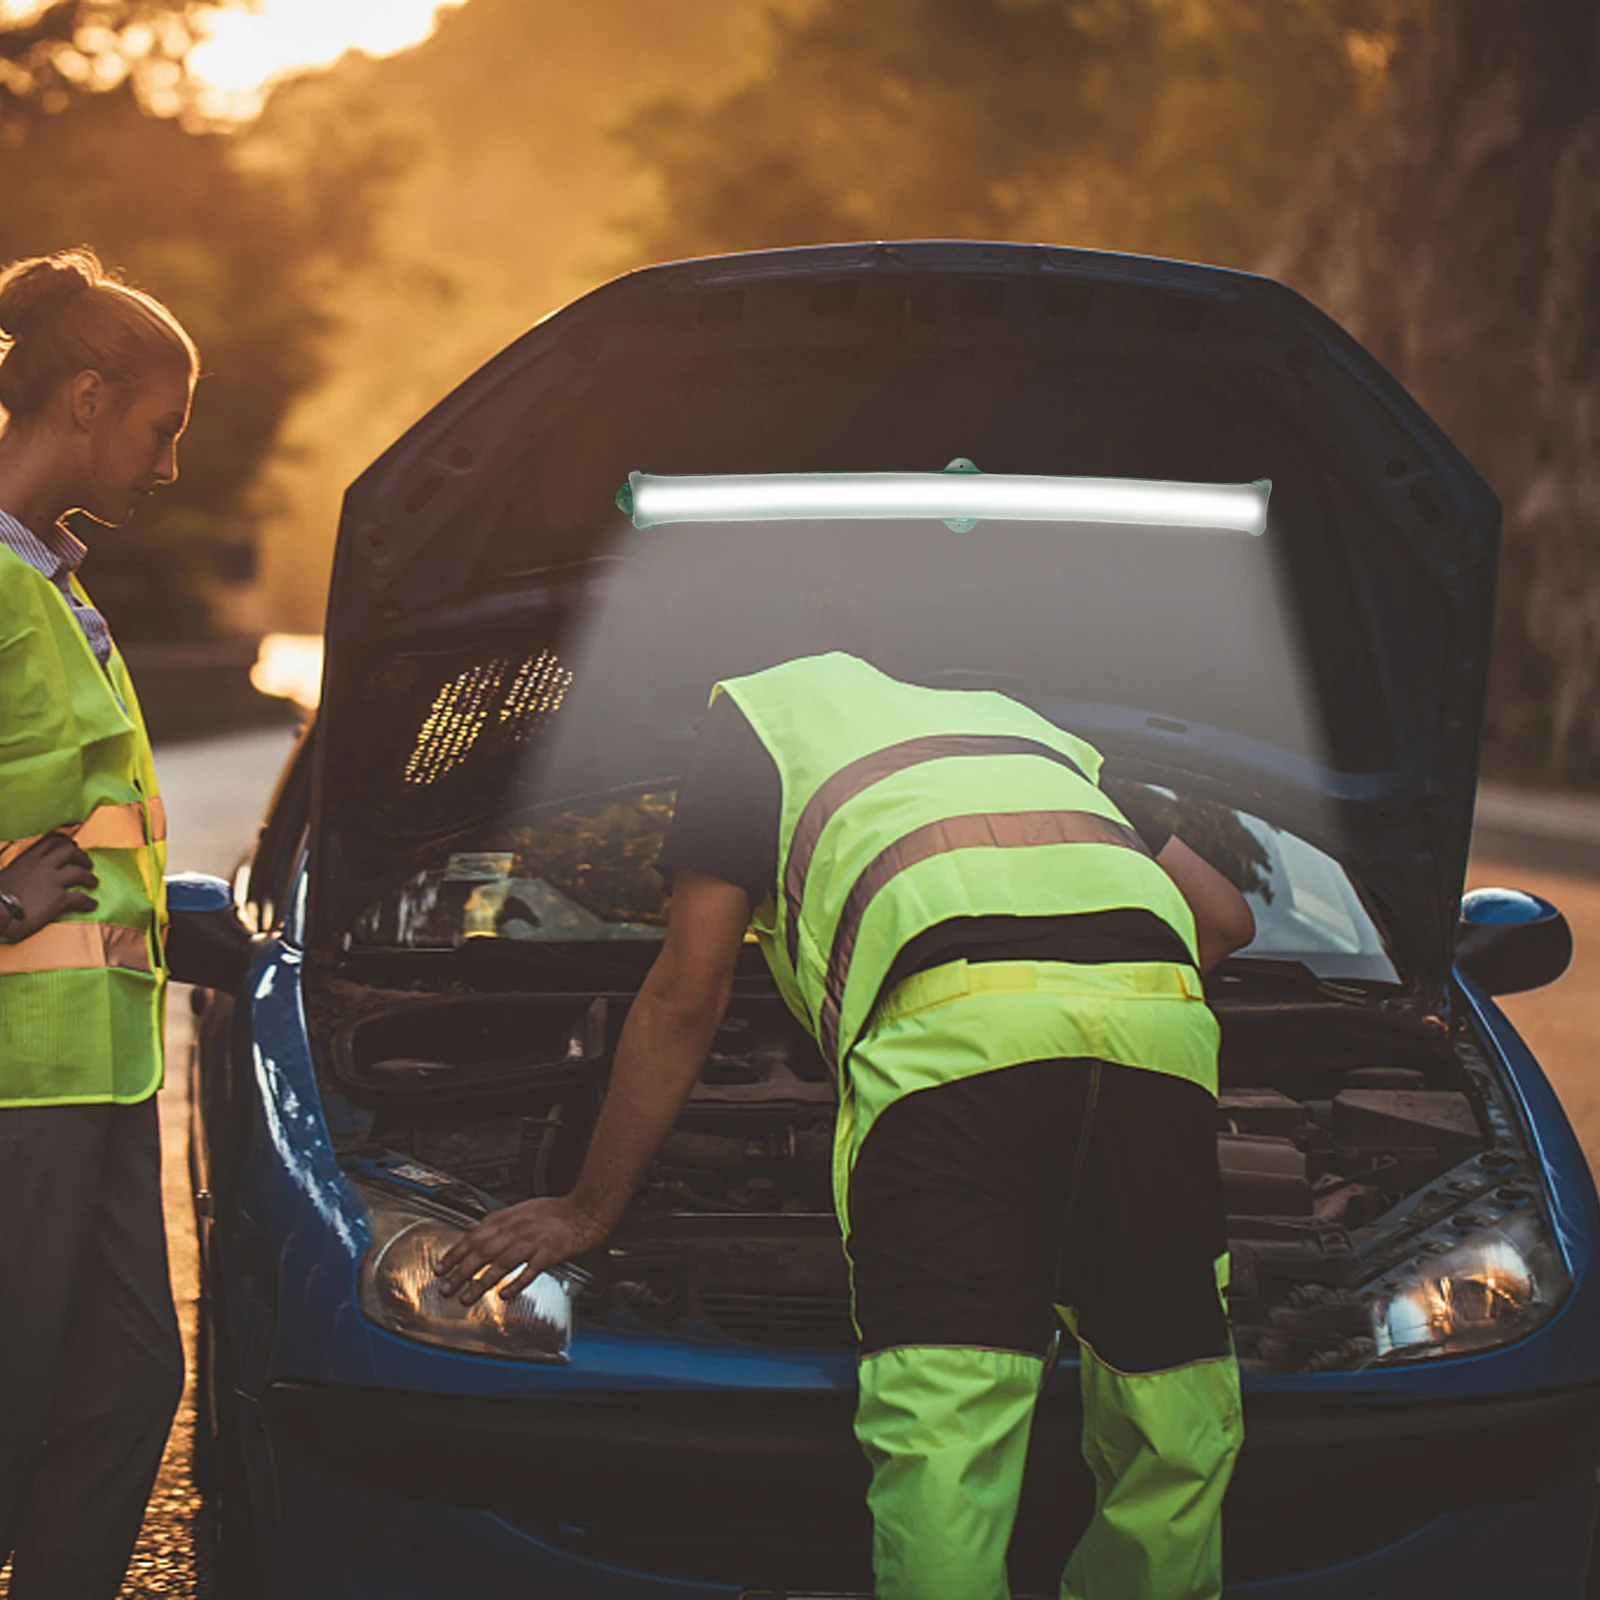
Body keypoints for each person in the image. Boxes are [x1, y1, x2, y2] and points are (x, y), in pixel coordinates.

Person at [438, 634, 1256, 1599]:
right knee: (1172, 1409)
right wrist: (1088, 1008)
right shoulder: (1029, 733)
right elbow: (1224, 917)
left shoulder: (758, 720)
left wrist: (587, 1207)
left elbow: (686, 991)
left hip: (957, 1053)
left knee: (950, 1423)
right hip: (1157, 1034)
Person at [0, 247, 197, 1599]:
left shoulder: (54, 582)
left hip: (108, 1059)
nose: (169, 463)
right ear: (83, 398)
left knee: (131, 1380)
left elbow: (103, 826)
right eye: (160, 426)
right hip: (19, 1070)